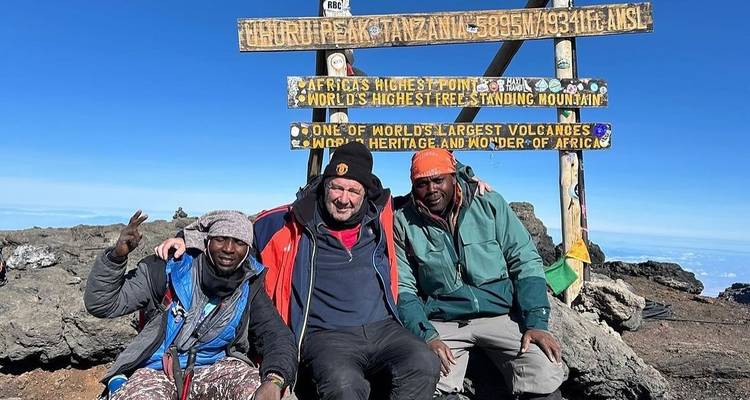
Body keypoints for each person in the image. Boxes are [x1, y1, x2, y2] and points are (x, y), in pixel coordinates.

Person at [157, 142, 443, 400]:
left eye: (353, 190)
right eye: (337, 187)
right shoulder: (290, 221)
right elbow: (234, 229)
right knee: (344, 385)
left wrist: (469, 183)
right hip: (325, 335)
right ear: (324, 185)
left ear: (366, 193)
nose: (344, 199)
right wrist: (188, 238)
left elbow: (432, 201)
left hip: (384, 329)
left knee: (424, 361)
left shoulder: (382, 216)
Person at [394, 148, 566, 400]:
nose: (431, 190)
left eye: (438, 180)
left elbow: (525, 260)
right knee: (425, 379)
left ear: (453, 178)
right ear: (413, 186)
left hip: (502, 315)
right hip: (444, 321)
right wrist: (426, 335)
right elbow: (403, 286)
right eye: (422, 184)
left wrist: (536, 324)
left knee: (543, 372)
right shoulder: (402, 221)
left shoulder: (489, 203)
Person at [85, 210, 297, 400]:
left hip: (215, 368)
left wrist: (275, 380)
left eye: (239, 242)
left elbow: (276, 336)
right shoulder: (167, 269)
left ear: (248, 249)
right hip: (156, 369)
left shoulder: (249, 285)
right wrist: (116, 258)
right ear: (206, 242)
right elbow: (102, 304)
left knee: (264, 392)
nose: (229, 249)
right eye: (221, 239)